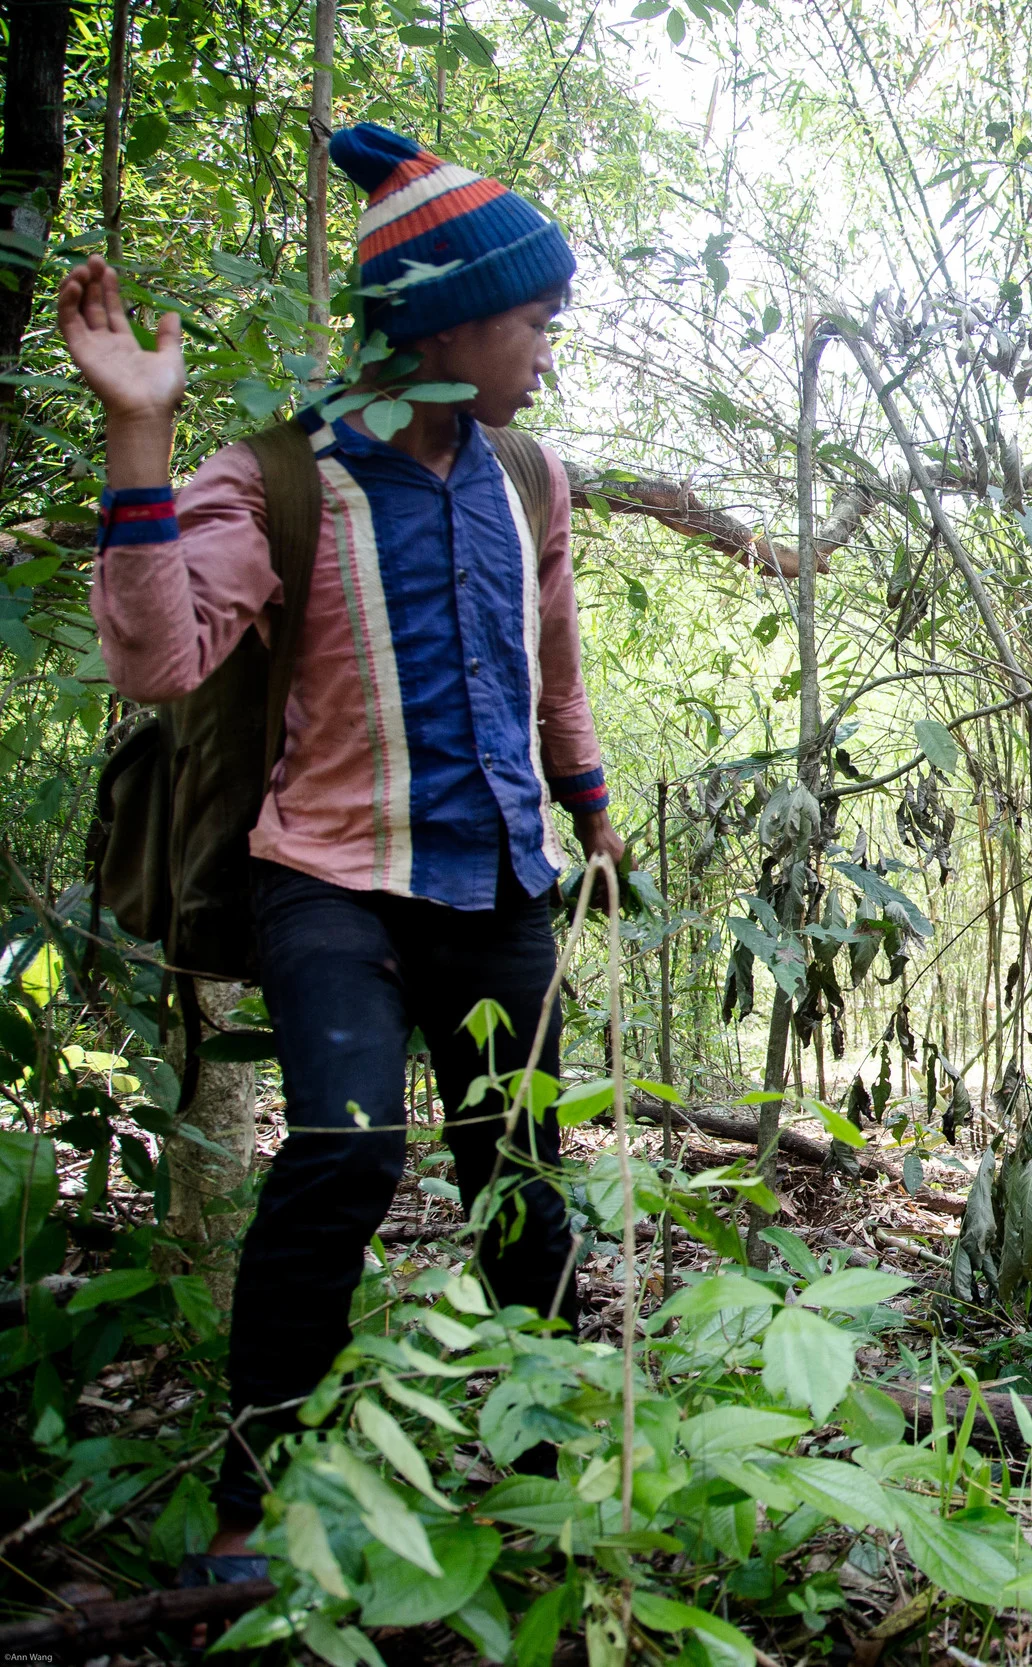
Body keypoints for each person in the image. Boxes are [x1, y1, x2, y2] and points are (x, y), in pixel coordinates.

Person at [59, 121, 627, 1574]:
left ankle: (553, 1479)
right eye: (532, 316)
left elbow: (551, 659)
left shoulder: (531, 479)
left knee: (524, 1178)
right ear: (444, 322)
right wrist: (139, 432)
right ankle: (256, 1503)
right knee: (344, 1150)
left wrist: (592, 804)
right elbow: (159, 658)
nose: (550, 342)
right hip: (330, 881)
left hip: (502, 883)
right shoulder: (286, 482)